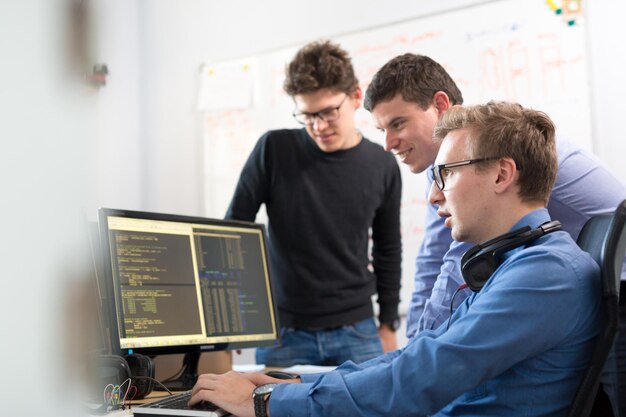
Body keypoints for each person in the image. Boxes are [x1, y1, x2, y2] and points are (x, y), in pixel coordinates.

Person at [190, 102, 600, 417]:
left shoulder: (544, 275)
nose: (435, 195)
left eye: (446, 175)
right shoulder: (514, 263)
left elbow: (420, 377)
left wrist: (267, 404)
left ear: (501, 174)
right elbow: (414, 357)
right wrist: (293, 381)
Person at [365, 54, 626, 415]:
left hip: (618, 296)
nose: (388, 143)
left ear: (440, 104)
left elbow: (454, 262)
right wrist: (412, 357)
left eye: (398, 123)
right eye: (381, 131)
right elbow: (434, 261)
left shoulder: (486, 156)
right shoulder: (457, 166)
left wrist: (414, 359)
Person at [225, 40, 402, 366]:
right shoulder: (273, 150)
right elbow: (233, 232)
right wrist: (229, 320)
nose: (318, 126)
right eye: (307, 115)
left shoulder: (383, 165)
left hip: (358, 331)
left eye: (328, 112)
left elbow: (388, 249)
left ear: (355, 97)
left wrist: (389, 323)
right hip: (284, 332)